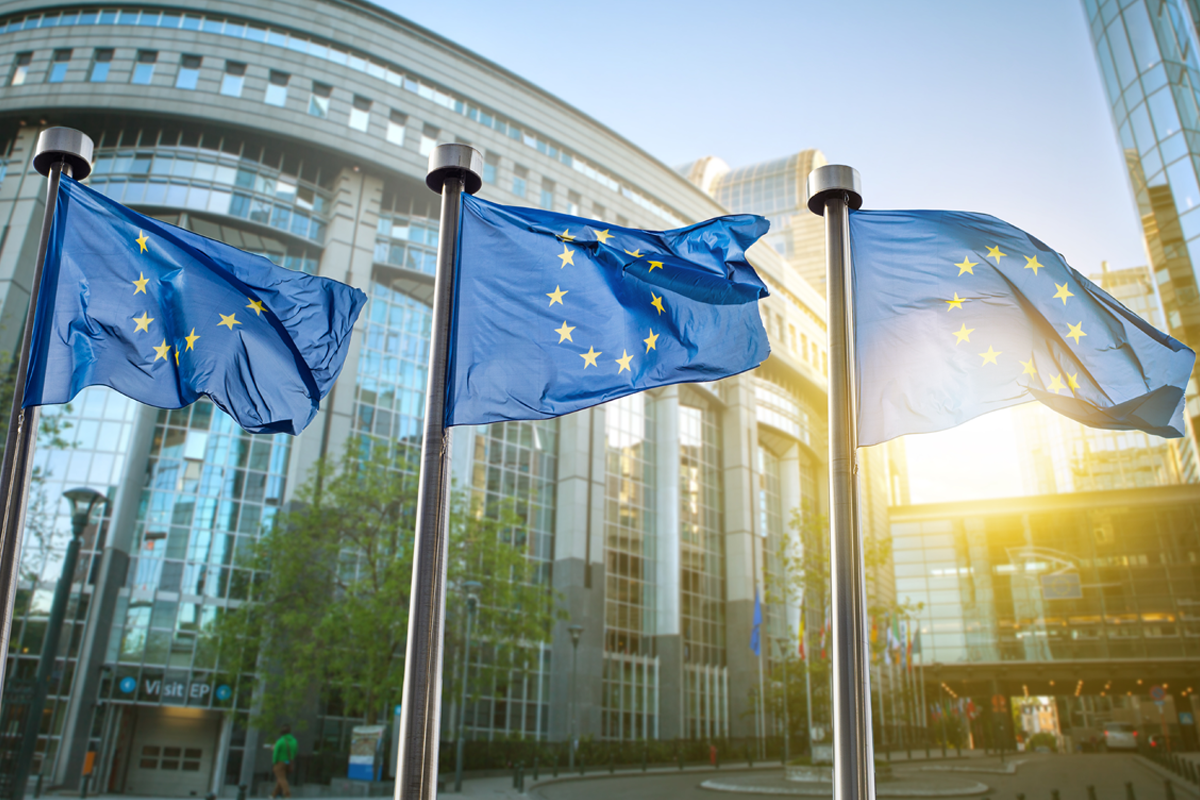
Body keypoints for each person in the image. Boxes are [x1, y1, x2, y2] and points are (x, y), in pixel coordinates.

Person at [271, 724, 298, 799]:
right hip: (288, 762)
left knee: (281, 778)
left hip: (280, 761)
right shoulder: (294, 741)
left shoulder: (280, 741)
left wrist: (274, 762)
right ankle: (273, 795)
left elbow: (276, 753)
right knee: (282, 778)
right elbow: (295, 752)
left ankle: (287, 794)